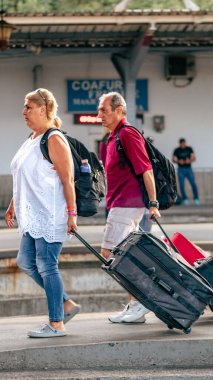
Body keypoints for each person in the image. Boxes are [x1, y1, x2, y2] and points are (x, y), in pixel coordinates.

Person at [5, 88, 81, 338]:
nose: (24, 111)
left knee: (47, 266)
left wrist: (72, 214)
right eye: (24, 106)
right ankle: (66, 304)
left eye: (28, 106)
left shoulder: (54, 139)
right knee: (26, 262)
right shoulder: (32, 138)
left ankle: (57, 323)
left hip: (50, 214)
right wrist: (13, 204)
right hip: (32, 215)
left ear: (43, 109)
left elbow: (67, 179)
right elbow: (24, 176)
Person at [97, 92, 161, 324]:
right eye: (100, 110)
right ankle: (135, 304)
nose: (100, 114)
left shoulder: (128, 134)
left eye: (104, 110)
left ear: (119, 110)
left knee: (110, 254)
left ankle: (140, 302)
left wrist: (153, 204)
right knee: (124, 256)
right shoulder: (113, 137)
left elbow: (146, 169)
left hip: (127, 204)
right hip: (119, 203)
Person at [172, 138, 199, 206]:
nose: (183, 145)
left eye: (184, 143)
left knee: (193, 183)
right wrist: (178, 161)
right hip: (181, 169)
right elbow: (173, 159)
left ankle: (196, 198)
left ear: (185, 143)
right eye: (182, 144)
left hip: (189, 169)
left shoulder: (189, 148)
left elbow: (194, 158)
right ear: (180, 144)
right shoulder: (177, 150)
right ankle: (185, 199)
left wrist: (189, 160)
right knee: (181, 185)